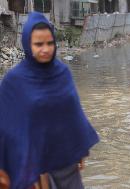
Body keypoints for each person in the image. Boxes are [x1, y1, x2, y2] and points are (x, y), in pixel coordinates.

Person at [0, 12, 99, 189]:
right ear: (27, 45)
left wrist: (79, 150)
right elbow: (4, 126)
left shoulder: (62, 73)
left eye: (49, 43)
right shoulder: (14, 81)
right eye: (38, 44)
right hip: (31, 167)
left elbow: (73, 114)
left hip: (65, 161)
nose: (45, 49)